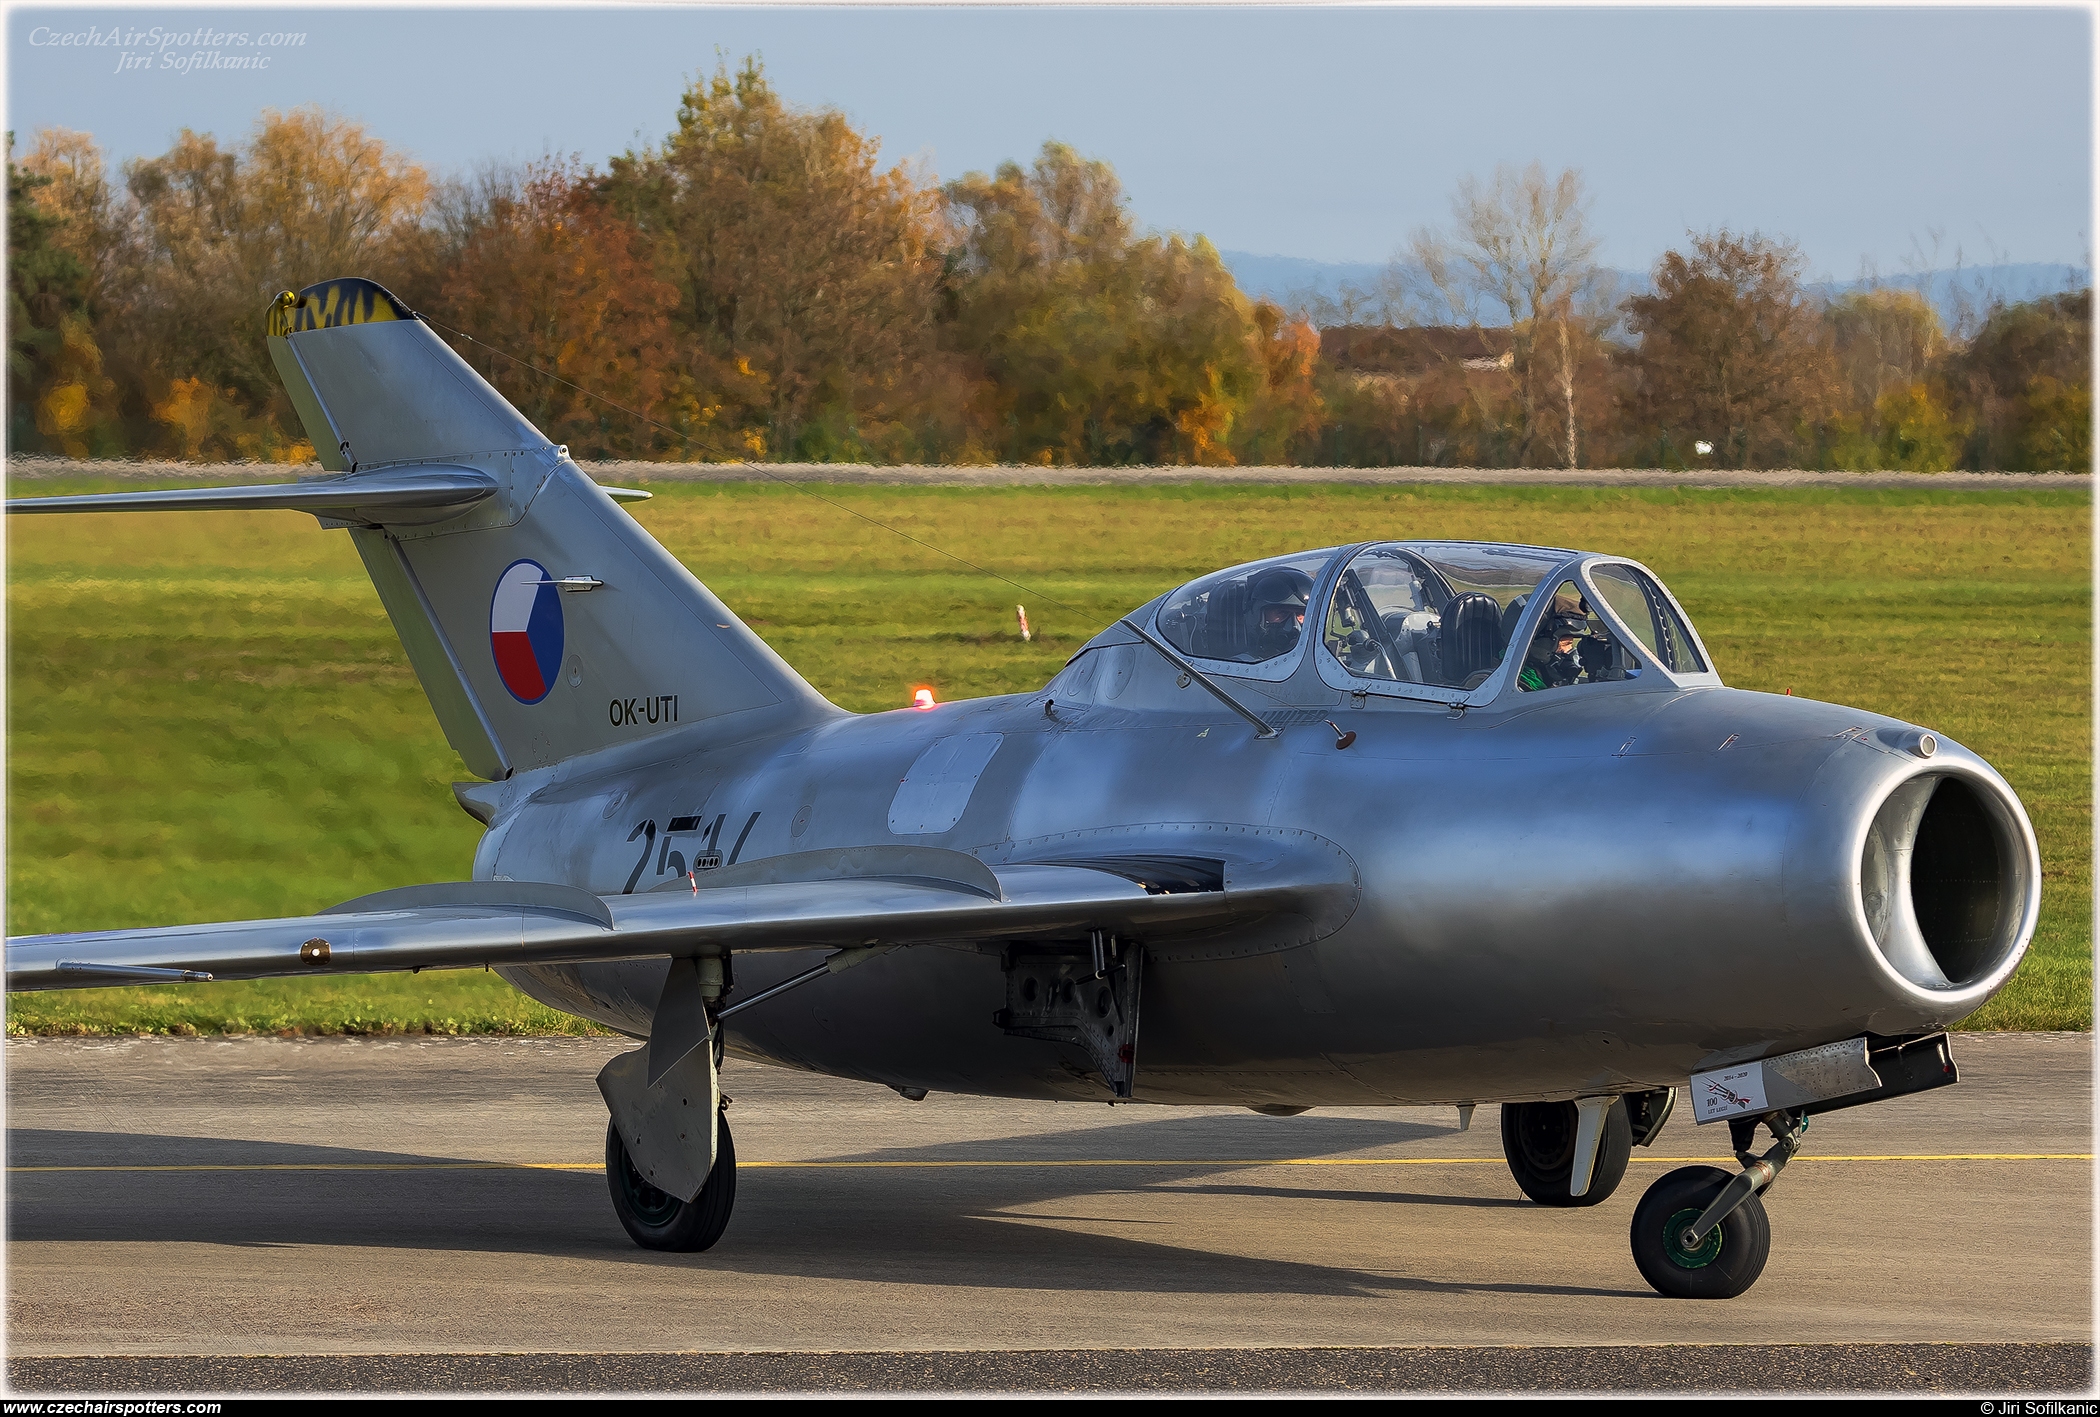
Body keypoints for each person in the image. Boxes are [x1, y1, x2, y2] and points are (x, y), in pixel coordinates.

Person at [1518, 597, 1594, 691]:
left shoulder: (1547, 679)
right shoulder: (1519, 686)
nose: (1569, 651)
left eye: (1571, 644)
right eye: (1565, 644)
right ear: (1535, 641)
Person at [1248, 567, 1313, 658]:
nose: (1294, 626)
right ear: (1257, 616)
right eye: (1282, 613)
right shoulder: (1241, 665)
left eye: (1301, 613)